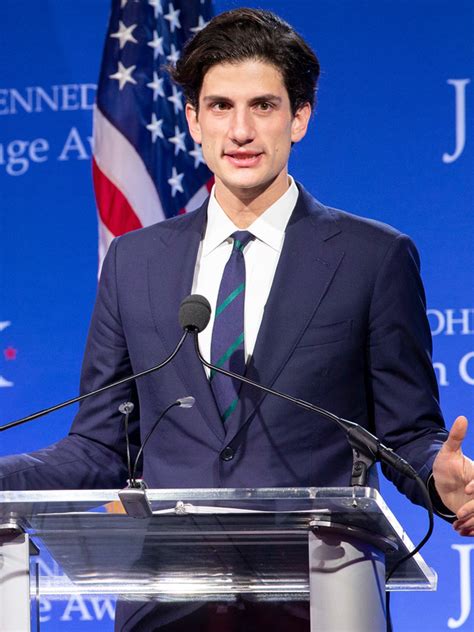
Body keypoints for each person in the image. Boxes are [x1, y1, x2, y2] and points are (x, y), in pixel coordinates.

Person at [0, 7, 473, 631]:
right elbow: (98, 443)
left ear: (299, 118)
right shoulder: (135, 261)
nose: (241, 130)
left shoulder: (372, 259)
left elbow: (405, 434)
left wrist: (443, 480)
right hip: (166, 604)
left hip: (319, 597)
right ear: (193, 120)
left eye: (264, 106)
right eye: (220, 106)